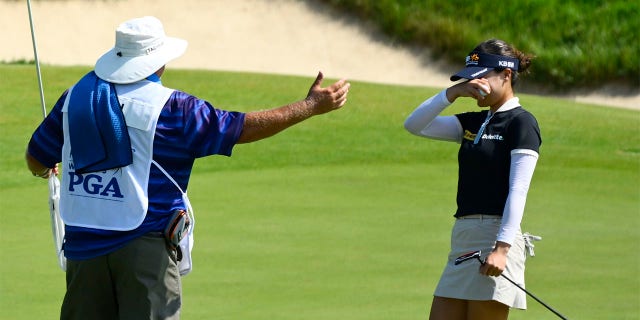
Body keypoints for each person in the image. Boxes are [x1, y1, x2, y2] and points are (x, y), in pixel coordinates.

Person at [25, 16, 350, 320]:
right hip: (144, 250)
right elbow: (241, 129)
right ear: (159, 62)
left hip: (83, 255)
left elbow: (36, 158)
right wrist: (310, 106)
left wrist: (54, 171)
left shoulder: (74, 99)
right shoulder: (174, 108)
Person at [404, 39, 541, 320]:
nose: (475, 84)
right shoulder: (472, 123)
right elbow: (414, 125)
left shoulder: (521, 123)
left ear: (506, 75)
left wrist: (502, 249)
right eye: (471, 78)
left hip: (494, 239)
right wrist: (453, 92)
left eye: (481, 76)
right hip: (463, 241)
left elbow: (518, 189)